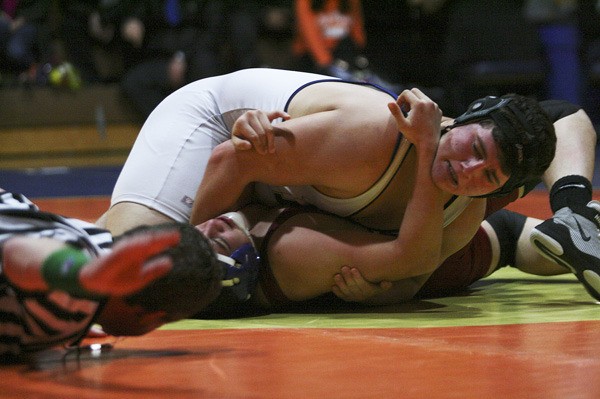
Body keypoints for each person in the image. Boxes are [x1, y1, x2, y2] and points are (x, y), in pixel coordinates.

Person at [96, 68, 597, 298]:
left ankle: (571, 217)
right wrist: (193, 247)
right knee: (130, 250)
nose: (466, 171)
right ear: (464, 118)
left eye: (486, 176)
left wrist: (382, 295)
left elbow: (415, 269)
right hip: (219, 129)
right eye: (473, 150)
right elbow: (234, 160)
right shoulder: (374, 137)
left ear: (498, 191)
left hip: (284, 189)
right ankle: (23, 234)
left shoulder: (465, 206)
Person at [193, 202, 590, 312]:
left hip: (418, 245)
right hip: (439, 256)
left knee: (511, 233)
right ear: (245, 261)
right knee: (508, 234)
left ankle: (574, 227)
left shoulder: (217, 224)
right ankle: (574, 219)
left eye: (202, 234)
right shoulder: (290, 255)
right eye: (220, 242)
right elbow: (409, 261)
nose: (211, 227)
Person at [0, 189, 224, 362]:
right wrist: (81, 275)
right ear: (150, 317)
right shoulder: (73, 295)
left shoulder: (94, 240)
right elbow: (15, 253)